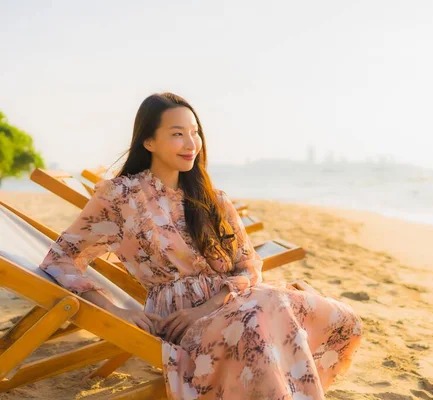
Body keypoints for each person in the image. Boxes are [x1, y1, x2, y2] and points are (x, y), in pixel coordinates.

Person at [39, 92, 363, 399]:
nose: (191, 144)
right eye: (178, 133)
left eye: (195, 133)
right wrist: (114, 309)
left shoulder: (212, 199)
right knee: (259, 316)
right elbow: (61, 258)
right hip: (178, 322)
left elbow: (249, 266)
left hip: (229, 305)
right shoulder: (122, 197)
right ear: (149, 141)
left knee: (330, 315)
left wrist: (209, 305)